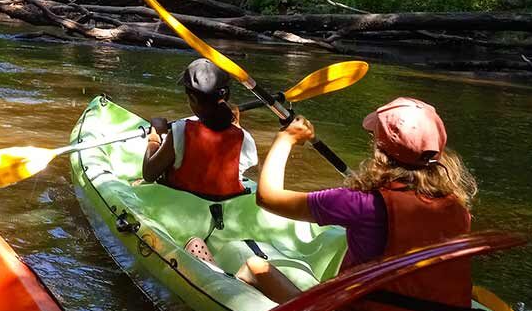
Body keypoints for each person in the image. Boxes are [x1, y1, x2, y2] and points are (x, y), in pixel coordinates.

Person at [242, 97, 478, 307]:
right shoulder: (457, 209)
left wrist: (287, 138)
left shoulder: (362, 203)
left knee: (255, 267)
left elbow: (268, 197)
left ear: (379, 148)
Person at [140, 58, 257, 202]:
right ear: (226, 96)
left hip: (183, 207)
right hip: (224, 206)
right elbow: (240, 156)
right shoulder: (244, 137)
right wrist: (236, 125)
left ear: (193, 98)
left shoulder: (180, 131)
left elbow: (149, 173)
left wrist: (155, 135)